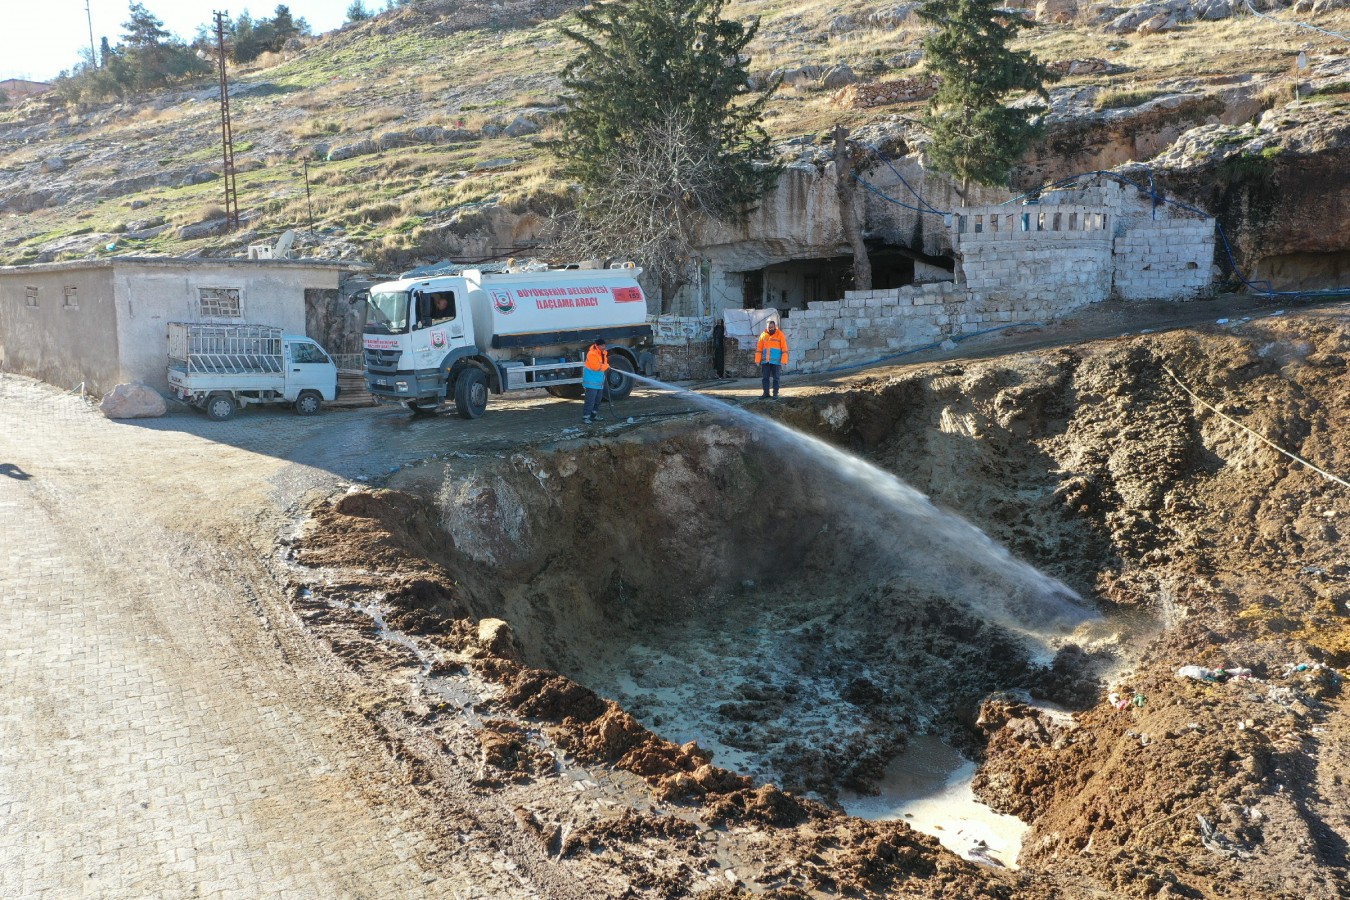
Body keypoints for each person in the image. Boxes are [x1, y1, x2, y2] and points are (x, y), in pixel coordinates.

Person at [756, 319, 788, 398]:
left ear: (775, 327)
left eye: (772, 327)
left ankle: (775, 394)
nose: (770, 328)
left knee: (776, 378)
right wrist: (757, 360)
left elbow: (784, 348)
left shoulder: (780, 334)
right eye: (769, 327)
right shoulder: (763, 335)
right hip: (765, 361)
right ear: (767, 327)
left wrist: (784, 360)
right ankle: (766, 393)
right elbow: (759, 349)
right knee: (765, 378)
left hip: (776, 362)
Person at [582, 336, 609, 424]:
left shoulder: (604, 353)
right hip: (591, 382)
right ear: (597, 346)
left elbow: (604, 364)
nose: (604, 347)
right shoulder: (591, 354)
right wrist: (606, 366)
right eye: (602, 345)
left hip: (599, 381)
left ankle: (593, 416)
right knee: (590, 400)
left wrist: (605, 366)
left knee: (598, 400)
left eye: (604, 345)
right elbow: (596, 367)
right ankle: (586, 417)